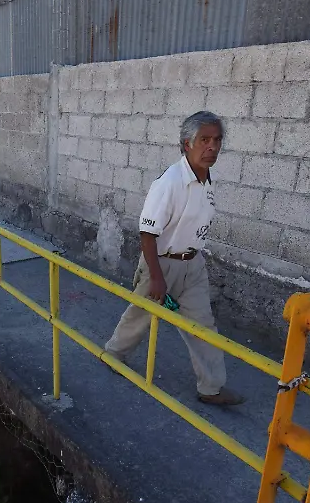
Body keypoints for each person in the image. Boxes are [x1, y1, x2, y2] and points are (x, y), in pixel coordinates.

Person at [104, 111, 244, 407]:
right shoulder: (169, 182)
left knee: (203, 325)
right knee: (139, 316)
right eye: (204, 140)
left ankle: (211, 387)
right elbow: (147, 233)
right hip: (161, 262)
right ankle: (113, 354)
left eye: (217, 140)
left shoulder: (207, 180)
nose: (212, 147)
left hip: (193, 265)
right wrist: (156, 276)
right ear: (186, 144)